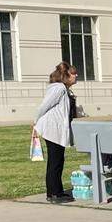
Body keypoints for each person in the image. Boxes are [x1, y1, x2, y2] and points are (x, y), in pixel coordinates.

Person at [34, 62, 78, 204]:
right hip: (52, 129)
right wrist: (35, 122)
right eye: (73, 73)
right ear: (66, 75)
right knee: (55, 162)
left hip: (56, 129)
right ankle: (53, 194)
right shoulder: (58, 89)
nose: (76, 75)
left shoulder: (63, 89)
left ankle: (56, 192)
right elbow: (44, 106)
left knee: (58, 160)